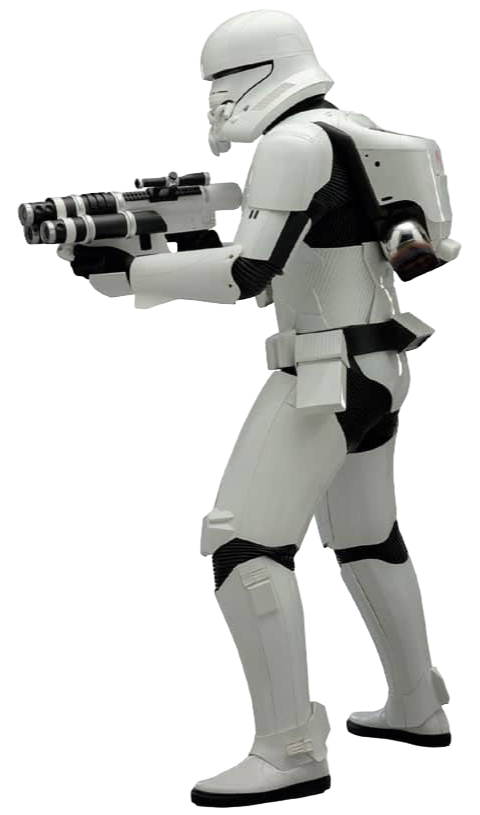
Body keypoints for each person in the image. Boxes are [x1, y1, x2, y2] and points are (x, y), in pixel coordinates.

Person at [68, 9, 461, 807]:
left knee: (242, 542)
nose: (215, 102)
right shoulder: (353, 130)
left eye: (220, 84)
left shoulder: (289, 145)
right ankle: (417, 702)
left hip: (321, 376)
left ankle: (290, 748)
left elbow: (243, 275)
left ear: (255, 74)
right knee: (367, 538)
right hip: (379, 369)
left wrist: (132, 274)